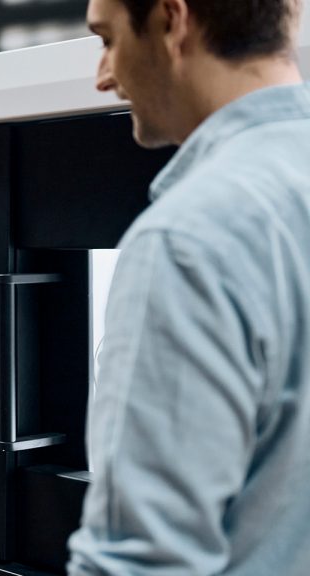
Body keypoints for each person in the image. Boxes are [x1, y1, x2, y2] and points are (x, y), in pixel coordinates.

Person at [67, 0, 310, 574]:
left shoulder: (186, 241)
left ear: (173, 21)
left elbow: (139, 563)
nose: (104, 77)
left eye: (107, 39)